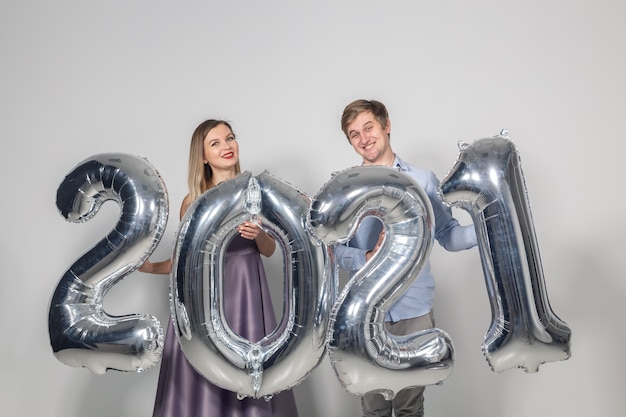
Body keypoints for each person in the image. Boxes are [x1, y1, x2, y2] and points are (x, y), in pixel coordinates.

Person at [140, 119, 299, 417]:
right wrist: (150, 268)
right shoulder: (193, 201)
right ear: (202, 156)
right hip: (204, 300)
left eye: (230, 138)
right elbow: (182, 263)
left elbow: (269, 250)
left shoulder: (257, 192)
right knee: (202, 376)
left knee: (248, 370)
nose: (227, 147)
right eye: (215, 143)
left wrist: (259, 234)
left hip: (247, 294)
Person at [334, 99, 477, 417]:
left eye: (368, 127)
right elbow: (333, 251)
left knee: (410, 407)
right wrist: (366, 256)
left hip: (414, 312)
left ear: (386, 126)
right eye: (354, 134)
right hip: (367, 314)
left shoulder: (423, 181)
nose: (364, 138)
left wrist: (489, 226)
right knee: (373, 408)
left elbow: (450, 235)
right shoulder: (346, 189)